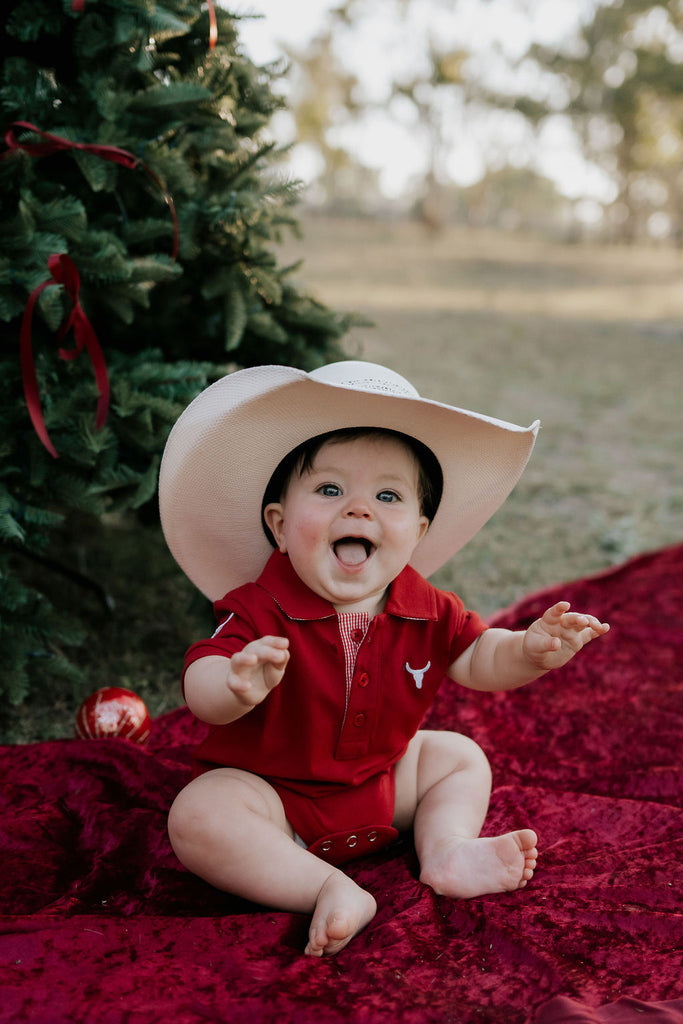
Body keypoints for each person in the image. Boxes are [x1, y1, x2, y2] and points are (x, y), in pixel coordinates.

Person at [159, 361, 609, 958]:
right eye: (329, 490)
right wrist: (234, 683)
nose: (359, 509)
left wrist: (529, 649)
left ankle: (446, 850)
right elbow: (201, 683)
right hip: (277, 799)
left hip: (381, 786)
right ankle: (327, 887)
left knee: (457, 755)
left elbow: (478, 658)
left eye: (388, 495)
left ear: (418, 531)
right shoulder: (259, 608)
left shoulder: (426, 606)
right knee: (199, 814)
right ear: (280, 526)